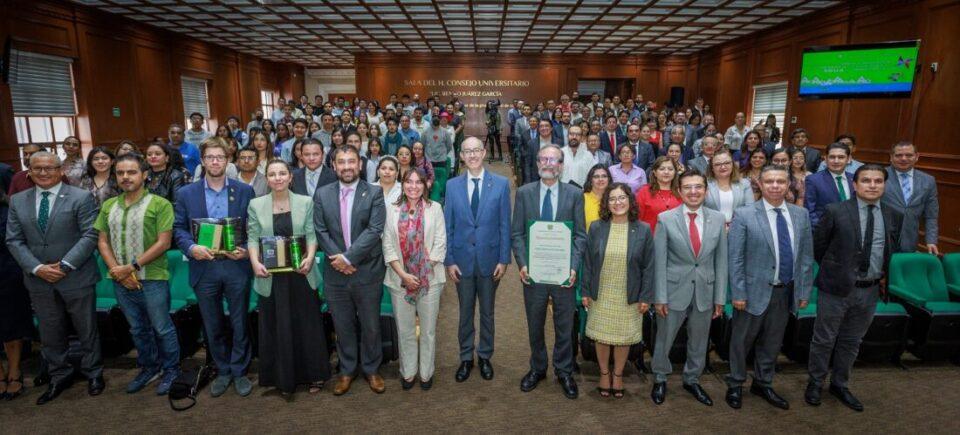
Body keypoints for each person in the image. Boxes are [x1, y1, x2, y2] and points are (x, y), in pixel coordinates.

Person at [5, 151, 103, 405]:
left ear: (61, 171)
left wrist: (65, 265)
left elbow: (90, 235)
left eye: (49, 168)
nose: (43, 173)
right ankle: (59, 375)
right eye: (37, 168)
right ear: (29, 172)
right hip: (38, 279)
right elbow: (14, 240)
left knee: (87, 329)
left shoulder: (81, 197)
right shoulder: (17, 201)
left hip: (76, 275)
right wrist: (37, 268)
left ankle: (94, 373)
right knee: (49, 333)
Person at [806, 164, 903, 412]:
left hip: (869, 290)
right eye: (866, 180)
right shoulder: (835, 211)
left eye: (878, 181)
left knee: (852, 341)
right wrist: (837, 271)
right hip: (835, 289)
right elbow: (819, 247)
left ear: (884, 185)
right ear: (855, 184)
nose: (872, 185)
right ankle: (815, 382)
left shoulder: (893, 214)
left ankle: (840, 384)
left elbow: (890, 250)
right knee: (824, 339)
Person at [726, 165, 814, 410]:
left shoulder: (801, 215)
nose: (775, 186)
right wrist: (738, 292)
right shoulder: (744, 214)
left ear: (789, 185)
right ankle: (735, 383)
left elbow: (806, 257)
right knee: (741, 342)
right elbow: (735, 258)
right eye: (769, 181)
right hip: (751, 292)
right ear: (760, 185)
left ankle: (763, 382)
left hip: (785, 292)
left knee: (772, 342)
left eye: (780, 181)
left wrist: (803, 291)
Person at [173, 138, 256, 398]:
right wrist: (191, 248)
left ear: (228, 160)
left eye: (220, 157)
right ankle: (223, 370)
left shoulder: (244, 191)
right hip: (204, 267)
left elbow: (254, 227)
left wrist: (246, 249)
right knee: (212, 323)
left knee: (239, 322)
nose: (215, 161)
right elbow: (179, 229)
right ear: (202, 161)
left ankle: (240, 370)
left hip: (236, 267)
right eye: (210, 157)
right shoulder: (186, 193)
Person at [94, 153, 180, 395]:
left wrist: (130, 267)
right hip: (120, 280)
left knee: (162, 328)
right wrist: (118, 272)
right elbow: (102, 242)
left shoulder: (160, 204)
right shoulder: (108, 205)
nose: (125, 177)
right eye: (120, 173)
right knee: (137, 329)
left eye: (131, 172)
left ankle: (171, 370)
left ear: (144, 175)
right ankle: (149, 367)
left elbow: (164, 243)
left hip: (152, 278)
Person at [247, 158, 330, 396]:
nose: (278, 178)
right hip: (270, 276)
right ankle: (282, 379)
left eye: (282, 173)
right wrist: (255, 263)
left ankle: (314, 374)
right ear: (267, 179)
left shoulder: (305, 202)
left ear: (290, 177)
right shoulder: (256, 204)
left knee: (307, 325)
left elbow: (312, 235)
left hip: (301, 274)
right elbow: (252, 238)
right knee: (276, 326)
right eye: (272, 174)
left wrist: (310, 258)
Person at [511, 145, 587, 400]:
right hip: (533, 274)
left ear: (561, 166)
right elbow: (517, 234)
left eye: (554, 160)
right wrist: (522, 264)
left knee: (564, 325)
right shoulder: (524, 193)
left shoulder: (575, 194)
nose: (548, 163)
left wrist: (573, 267)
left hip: (564, 275)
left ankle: (564, 371)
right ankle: (538, 367)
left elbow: (580, 236)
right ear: (536, 164)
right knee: (535, 324)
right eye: (543, 159)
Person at [314, 145, 387, 396]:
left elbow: (375, 230)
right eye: (341, 162)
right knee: (343, 325)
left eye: (351, 161)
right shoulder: (322, 194)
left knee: (371, 325)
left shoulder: (374, 192)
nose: (347, 167)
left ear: (360, 164)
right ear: (334, 166)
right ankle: (347, 370)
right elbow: (320, 230)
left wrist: (347, 258)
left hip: (367, 271)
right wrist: (340, 260)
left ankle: (371, 369)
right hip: (335, 274)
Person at [651, 170, 727, 406]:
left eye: (698, 187)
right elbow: (659, 261)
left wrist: (720, 298)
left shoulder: (718, 219)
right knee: (664, 338)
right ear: (679, 191)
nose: (693, 192)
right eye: (687, 187)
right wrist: (660, 297)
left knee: (699, 340)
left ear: (706, 190)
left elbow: (721, 261)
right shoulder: (665, 219)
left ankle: (692, 378)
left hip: (705, 291)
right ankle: (660, 377)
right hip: (673, 291)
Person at [444, 137, 512, 383]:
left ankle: (484, 356)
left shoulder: (501, 184)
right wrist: (449, 260)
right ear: (461, 156)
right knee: (464, 313)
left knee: (487, 313)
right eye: (467, 151)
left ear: (484, 153)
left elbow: (505, 225)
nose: (472, 155)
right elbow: (448, 226)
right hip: (461, 262)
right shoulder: (452, 186)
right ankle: (465, 357)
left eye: (476, 150)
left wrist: (503, 259)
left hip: (490, 261)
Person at [582, 182, 654, 399]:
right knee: (602, 335)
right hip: (602, 291)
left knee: (623, 336)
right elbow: (588, 263)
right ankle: (604, 373)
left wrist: (645, 296)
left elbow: (649, 267)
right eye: (612, 199)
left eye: (622, 197)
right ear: (606, 203)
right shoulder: (596, 227)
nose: (617, 202)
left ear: (630, 201)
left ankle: (618, 374)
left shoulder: (643, 229)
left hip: (629, 294)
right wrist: (585, 291)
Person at [382, 169, 447, 390]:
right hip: (399, 279)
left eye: (418, 182)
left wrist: (420, 273)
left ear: (425, 185)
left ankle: (426, 373)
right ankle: (408, 372)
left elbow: (440, 244)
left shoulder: (434, 208)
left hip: (430, 279)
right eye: (409, 182)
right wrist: (404, 275)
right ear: (402, 184)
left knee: (428, 331)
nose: (413, 186)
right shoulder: (391, 210)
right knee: (405, 330)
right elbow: (387, 245)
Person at [0, 178, 32, 401]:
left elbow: (15, 241)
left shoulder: (8, 210)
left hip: (6, 276)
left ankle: (14, 372)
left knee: (11, 326)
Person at [882, 141, 940, 254]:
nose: (904, 158)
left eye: (909, 155)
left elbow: (931, 215)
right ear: (891, 157)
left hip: (910, 240)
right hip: (881, 239)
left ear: (917, 156)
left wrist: (931, 240)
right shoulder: (879, 176)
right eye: (898, 155)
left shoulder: (928, 180)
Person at [805, 142, 855, 228]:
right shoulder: (813, 180)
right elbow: (809, 210)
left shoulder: (854, 179)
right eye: (832, 157)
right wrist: (821, 230)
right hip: (825, 230)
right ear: (825, 159)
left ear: (848, 159)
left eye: (841, 157)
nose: (836, 161)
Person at [704, 149, 754, 225]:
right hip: (711, 226)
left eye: (727, 163)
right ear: (712, 168)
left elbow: (750, 209)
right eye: (717, 164)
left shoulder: (744, 183)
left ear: (732, 165)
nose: (723, 167)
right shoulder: (704, 184)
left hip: (738, 226)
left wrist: (734, 225)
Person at [635, 156, 682, 233]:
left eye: (670, 169)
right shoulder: (644, 192)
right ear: (655, 172)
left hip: (675, 238)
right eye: (662, 169)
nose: (666, 172)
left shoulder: (681, 192)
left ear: (675, 172)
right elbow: (637, 219)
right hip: (650, 237)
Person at [583, 165, 612, 230]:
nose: (600, 179)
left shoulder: (613, 199)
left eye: (604, 176)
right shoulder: (582, 198)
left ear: (609, 179)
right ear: (590, 180)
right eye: (596, 177)